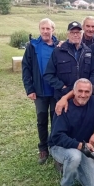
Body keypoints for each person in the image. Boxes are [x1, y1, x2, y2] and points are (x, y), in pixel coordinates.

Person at [49, 78, 94, 186]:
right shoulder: (63, 107)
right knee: (75, 156)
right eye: (80, 91)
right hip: (60, 146)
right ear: (74, 92)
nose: (83, 95)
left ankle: (68, 167)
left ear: (91, 92)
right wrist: (80, 145)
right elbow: (57, 136)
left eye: (87, 91)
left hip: (82, 145)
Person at [22, 18, 58, 164]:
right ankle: (43, 148)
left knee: (56, 121)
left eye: (48, 28)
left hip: (55, 92)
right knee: (42, 121)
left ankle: (55, 147)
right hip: (40, 92)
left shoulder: (59, 46)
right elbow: (26, 68)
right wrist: (29, 88)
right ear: (39, 30)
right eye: (42, 28)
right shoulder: (32, 46)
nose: (45, 31)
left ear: (53, 30)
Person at [44, 21, 94, 101]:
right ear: (68, 34)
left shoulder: (88, 52)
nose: (75, 35)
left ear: (82, 34)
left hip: (83, 97)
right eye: (72, 32)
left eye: (78, 32)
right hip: (63, 96)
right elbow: (48, 74)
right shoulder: (58, 51)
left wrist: (88, 86)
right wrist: (61, 86)